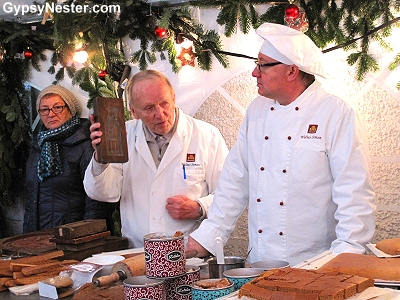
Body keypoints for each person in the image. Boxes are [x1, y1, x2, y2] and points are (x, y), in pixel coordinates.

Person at [186, 23, 376, 266]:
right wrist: (207, 237)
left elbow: (354, 194)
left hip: (316, 265)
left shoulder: (335, 113)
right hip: (261, 261)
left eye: (262, 65)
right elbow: (235, 182)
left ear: (292, 71)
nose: (255, 73)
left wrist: (346, 256)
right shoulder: (256, 110)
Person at [83, 70, 228, 248]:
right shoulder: (122, 137)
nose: (160, 114)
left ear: (174, 98)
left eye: (164, 103)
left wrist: (199, 207)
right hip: (139, 254)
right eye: (149, 108)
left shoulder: (207, 136)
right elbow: (105, 193)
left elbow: (228, 196)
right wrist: (101, 157)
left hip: (189, 253)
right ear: (134, 112)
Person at [23, 85, 115, 233]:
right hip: (37, 235)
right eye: (44, 109)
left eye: (57, 107)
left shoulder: (85, 145)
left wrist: (88, 234)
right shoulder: (37, 146)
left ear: (70, 110)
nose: (51, 114)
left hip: (71, 235)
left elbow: (96, 199)